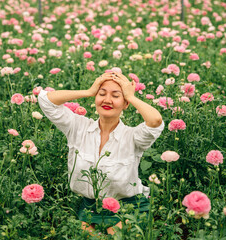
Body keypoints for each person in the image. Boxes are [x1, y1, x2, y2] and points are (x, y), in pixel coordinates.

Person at [38, 71, 164, 235]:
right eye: (101, 94)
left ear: (125, 104)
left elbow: (155, 122)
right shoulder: (78, 127)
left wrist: (131, 97)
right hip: (91, 204)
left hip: (128, 204)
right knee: (86, 236)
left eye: (116, 95)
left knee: (115, 235)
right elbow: (46, 100)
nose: (107, 100)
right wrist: (88, 92)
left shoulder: (132, 137)